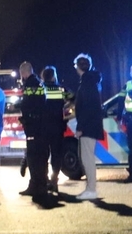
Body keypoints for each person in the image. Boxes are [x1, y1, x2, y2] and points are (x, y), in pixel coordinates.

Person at [72, 53, 102, 200]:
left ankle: (91, 189)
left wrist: (80, 127)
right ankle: (90, 188)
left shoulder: (86, 83)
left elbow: (86, 108)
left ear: (78, 67)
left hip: (88, 127)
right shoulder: (91, 81)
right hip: (91, 125)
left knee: (87, 158)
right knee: (87, 158)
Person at [40, 65, 72, 193]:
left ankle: (45, 179)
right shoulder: (61, 89)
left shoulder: (40, 89)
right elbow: (73, 98)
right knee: (56, 154)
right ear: (54, 76)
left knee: (44, 154)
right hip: (58, 125)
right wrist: (64, 107)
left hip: (43, 126)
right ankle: (54, 180)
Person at [18, 61, 46, 196]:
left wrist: (22, 112)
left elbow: (28, 103)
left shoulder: (30, 84)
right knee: (40, 156)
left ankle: (34, 185)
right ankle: (41, 184)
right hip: (40, 124)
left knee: (33, 156)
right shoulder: (39, 83)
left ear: (23, 72)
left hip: (32, 125)